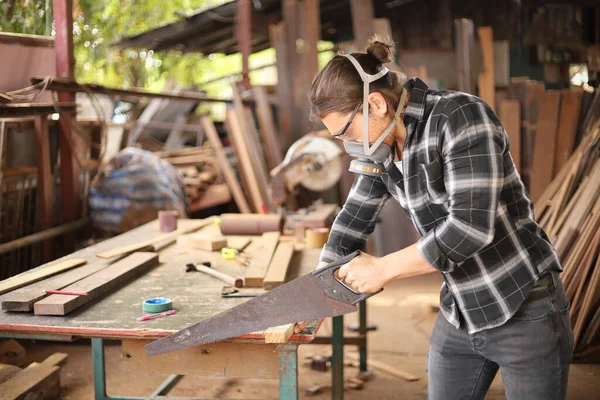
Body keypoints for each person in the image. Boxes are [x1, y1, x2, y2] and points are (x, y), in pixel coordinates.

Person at [308, 37, 575, 400]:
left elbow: (469, 228)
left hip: (523, 304)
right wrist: (318, 289)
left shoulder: (459, 117)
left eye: (346, 131)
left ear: (376, 103)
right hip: (462, 307)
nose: (345, 144)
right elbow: (354, 215)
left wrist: (383, 269)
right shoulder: (382, 144)